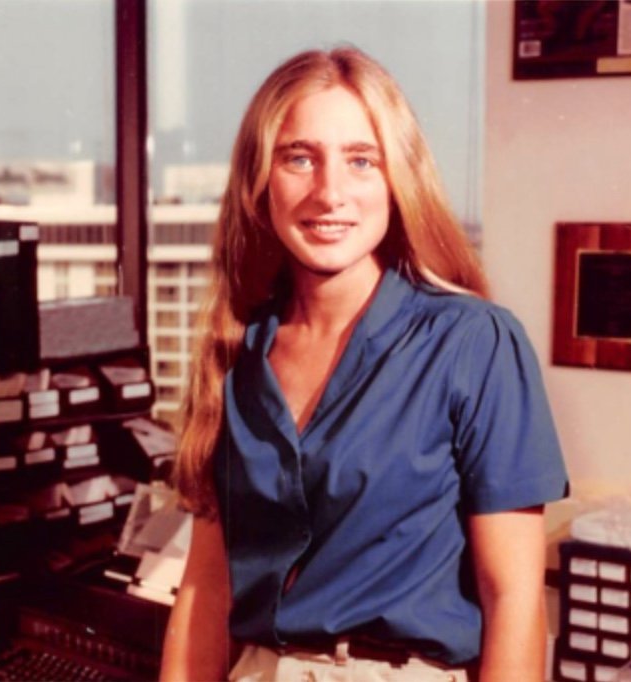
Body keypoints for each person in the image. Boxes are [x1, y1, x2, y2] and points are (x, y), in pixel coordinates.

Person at [159, 47, 568, 682]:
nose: (330, 193)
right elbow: (205, 590)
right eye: (299, 158)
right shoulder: (237, 354)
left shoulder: (473, 341)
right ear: (258, 183)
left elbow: (513, 598)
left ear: (397, 179)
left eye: (361, 160)